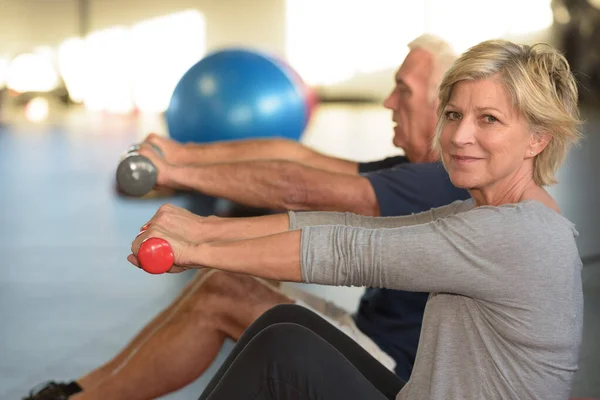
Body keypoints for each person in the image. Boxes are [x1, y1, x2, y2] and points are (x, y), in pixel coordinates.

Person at [130, 39, 584, 399]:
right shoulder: (484, 214)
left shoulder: (514, 234)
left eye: (488, 119)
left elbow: (349, 253)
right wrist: (203, 231)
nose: (461, 136)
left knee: (281, 347)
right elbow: (358, 230)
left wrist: (197, 251)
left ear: (537, 139)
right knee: (284, 326)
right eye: (453, 115)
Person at [24, 35, 470, 400]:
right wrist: (181, 154)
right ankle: (72, 393)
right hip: (375, 342)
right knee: (218, 285)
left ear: (442, 107)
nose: (389, 102)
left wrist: (177, 175)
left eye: (404, 90)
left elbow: (300, 188)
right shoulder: (411, 170)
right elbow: (294, 155)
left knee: (225, 294)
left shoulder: (440, 181)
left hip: (401, 378)